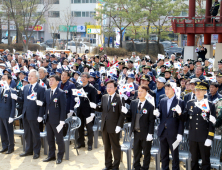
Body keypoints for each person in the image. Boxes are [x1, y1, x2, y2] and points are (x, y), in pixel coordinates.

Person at [178, 80, 216, 170]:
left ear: (205, 92)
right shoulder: (190, 103)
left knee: (205, 161)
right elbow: (184, 118)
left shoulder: (210, 105)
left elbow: (212, 123)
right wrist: (179, 113)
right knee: (194, 160)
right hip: (193, 136)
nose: (197, 92)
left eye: (200, 90)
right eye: (196, 90)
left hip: (204, 137)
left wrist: (210, 138)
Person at [11, 69, 45, 159]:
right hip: (25, 114)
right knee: (27, 133)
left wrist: (41, 115)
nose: (29, 77)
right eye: (29, 76)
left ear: (36, 78)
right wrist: (16, 98)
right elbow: (23, 100)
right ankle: (28, 150)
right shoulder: (26, 87)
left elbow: (42, 103)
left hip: (35, 114)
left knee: (35, 133)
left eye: (32, 76)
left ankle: (36, 152)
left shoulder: (41, 88)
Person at [153, 81, 185, 170]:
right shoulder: (163, 100)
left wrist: (180, 133)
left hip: (173, 133)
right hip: (163, 131)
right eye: (165, 89)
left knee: (175, 155)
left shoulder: (179, 102)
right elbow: (161, 115)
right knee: (164, 154)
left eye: (168, 89)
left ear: (173, 90)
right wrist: (157, 114)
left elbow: (182, 120)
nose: (166, 91)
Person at [123, 85, 155, 170]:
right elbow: (130, 114)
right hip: (136, 132)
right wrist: (126, 112)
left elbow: (152, 121)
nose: (139, 93)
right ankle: (136, 166)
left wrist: (150, 133)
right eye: (139, 91)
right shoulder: (134, 102)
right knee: (136, 151)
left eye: (142, 91)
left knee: (146, 152)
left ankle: (145, 167)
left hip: (146, 133)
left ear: (146, 93)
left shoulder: (150, 106)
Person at [96, 79, 125, 170]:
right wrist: (95, 107)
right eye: (107, 87)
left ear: (115, 88)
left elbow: (122, 114)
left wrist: (119, 125)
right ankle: (108, 164)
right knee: (106, 146)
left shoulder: (119, 98)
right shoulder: (104, 97)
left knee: (115, 146)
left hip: (114, 126)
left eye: (110, 87)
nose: (108, 88)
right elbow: (102, 109)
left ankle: (116, 165)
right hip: (104, 126)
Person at [42, 75, 66, 164]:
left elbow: (63, 108)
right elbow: (45, 103)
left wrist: (62, 120)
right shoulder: (47, 91)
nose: (50, 82)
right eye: (49, 80)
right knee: (50, 139)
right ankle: (51, 155)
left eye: (52, 80)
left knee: (59, 139)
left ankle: (60, 156)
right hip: (48, 119)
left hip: (57, 120)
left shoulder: (61, 93)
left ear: (57, 82)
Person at [73, 72, 97, 151]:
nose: (83, 78)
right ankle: (81, 143)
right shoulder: (79, 87)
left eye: (84, 77)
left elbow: (94, 101)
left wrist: (92, 113)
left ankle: (89, 144)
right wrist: (76, 99)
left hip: (88, 112)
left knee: (89, 129)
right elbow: (77, 97)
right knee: (80, 128)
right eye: (82, 76)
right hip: (80, 111)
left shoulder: (92, 88)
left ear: (88, 79)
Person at [0, 74, 16, 154]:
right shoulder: (1, 89)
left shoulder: (12, 91)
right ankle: (4, 146)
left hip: (8, 114)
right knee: (2, 131)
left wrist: (11, 116)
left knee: (9, 131)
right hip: (1, 114)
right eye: (2, 78)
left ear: (9, 80)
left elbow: (13, 105)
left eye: (4, 78)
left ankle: (11, 147)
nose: (2, 80)